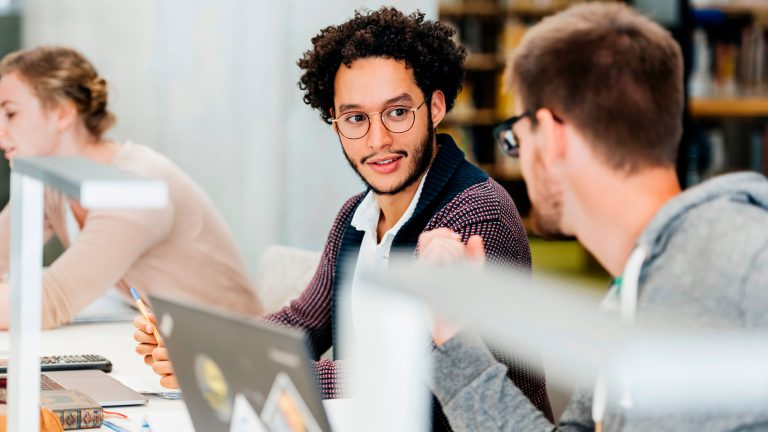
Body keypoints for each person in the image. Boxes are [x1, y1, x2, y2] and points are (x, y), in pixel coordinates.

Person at [134, 7, 554, 428]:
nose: (378, 139)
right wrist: (198, 346)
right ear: (335, 125)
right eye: (355, 118)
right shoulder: (356, 216)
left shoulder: (474, 214)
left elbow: (416, 372)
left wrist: (237, 363)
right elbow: (302, 323)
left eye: (398, 112)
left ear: (436, 107)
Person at [421, 3, 768, 431]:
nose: (522, 159)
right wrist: (455, 336)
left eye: (516, 139)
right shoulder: (626, 296)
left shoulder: (748, 259)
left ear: (548, 136)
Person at [0, 46, 263, 329]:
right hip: (153, 335)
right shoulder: (53, 179)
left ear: (63, 114)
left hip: (221, 349)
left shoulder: (135, 187)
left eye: (11, 114)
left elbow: (49, 301)